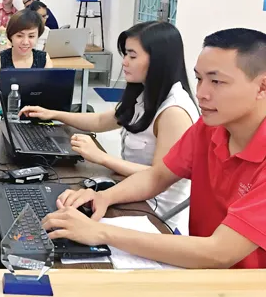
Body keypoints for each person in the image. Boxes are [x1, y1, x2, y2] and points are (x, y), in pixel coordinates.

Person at [40, 28, 266, 269]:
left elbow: (219, 252)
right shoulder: (209, 128)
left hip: (242, 282)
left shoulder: (183, 112)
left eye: (217, 82)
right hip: (200, 269)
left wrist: (101, 232)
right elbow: (158, 175)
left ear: (262, 87)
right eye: (199, 79)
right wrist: (103, 197)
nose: (201, 94)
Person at [20, 21, 198, 231]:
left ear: (159, 60)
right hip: (128, 190)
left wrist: (101, 157)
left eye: (132, 56)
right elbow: (99, 121)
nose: (124, 62)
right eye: (125, 55)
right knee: (59, 201)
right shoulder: (143, 92)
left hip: (153, 212)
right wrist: (54, 114)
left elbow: (158, 176)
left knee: (64, 219)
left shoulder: (174, 112)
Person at [0, 10, 53, 102]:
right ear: (11, 36)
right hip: (9, 108)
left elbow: (51, 91)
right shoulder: (1, 58)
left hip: (36, 109)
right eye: (19, 36)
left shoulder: (44, 58)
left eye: (31, 36)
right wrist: (12, 102)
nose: (25, 42)